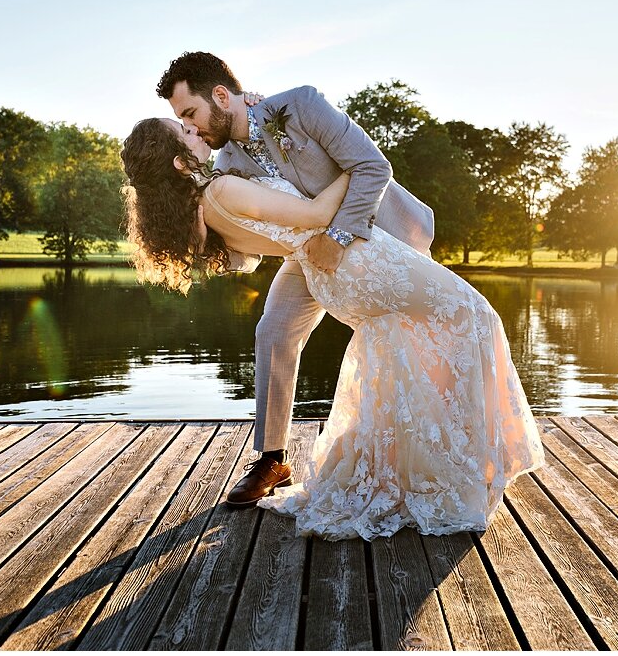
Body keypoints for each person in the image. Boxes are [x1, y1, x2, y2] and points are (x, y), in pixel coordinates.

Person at [121, 116, 544, 540]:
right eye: (185, 129)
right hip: (345, 255)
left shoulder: (219, 180)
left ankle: (407, 464)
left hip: (334, 260)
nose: (191, 126)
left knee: (398, 338)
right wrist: (353, 168)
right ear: (179, 162)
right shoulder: (222, 183)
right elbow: (314, 213)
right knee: (475, 314)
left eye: (188, 118)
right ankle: (471, 457)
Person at [153, 52, 436, 507]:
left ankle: (423, 447)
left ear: (221, 96)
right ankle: (272, 459)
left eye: (191, 113)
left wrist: (339, 237)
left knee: (410, 342)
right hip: (307, 257)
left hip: (382, 238)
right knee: (273, 331)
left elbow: (372, 167)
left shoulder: (300, 106)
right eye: (183, 120)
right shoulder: (225, 166)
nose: (192, 127)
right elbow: (249, 256)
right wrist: (211, 249)